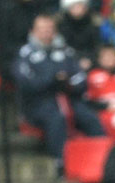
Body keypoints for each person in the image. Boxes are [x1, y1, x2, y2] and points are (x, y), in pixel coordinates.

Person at [13, 14, 104, 174]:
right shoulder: (25, 54)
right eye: (42, 29)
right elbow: (26, 83)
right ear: (33, 31)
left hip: (68, 98)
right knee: (56, 118)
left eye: (49, 29)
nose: (46, 33)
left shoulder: (65, 51)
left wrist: (67, 84)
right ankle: (62, 163)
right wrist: (51, 80)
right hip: (38, 103)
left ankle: (105, 160)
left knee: (89, 117)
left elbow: (80, 78)